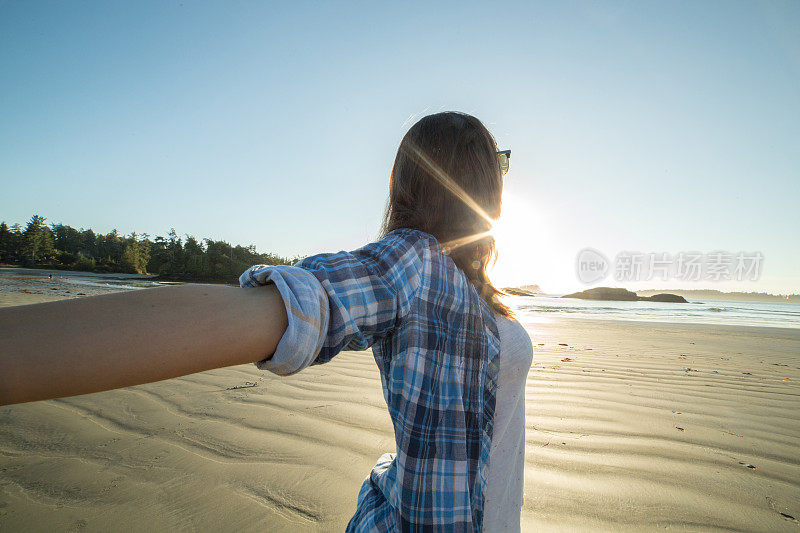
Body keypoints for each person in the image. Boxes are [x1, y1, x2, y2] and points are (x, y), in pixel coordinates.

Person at [0, 112, 533, 531]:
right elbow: (304, 303)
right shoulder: (416, 265)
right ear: (481, 187)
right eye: (497, 165)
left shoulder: (480, 295)